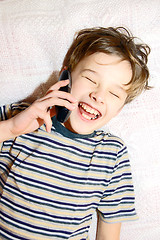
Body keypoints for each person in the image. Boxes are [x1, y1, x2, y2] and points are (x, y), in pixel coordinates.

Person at [0, 27, 150, 240]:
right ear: (65, 77)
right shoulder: (21, 118)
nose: (98, 95)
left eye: (114, 93)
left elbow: (109, 233)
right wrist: (11, 128)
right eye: (90, 79)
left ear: (119, 109)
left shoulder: (112, 154)